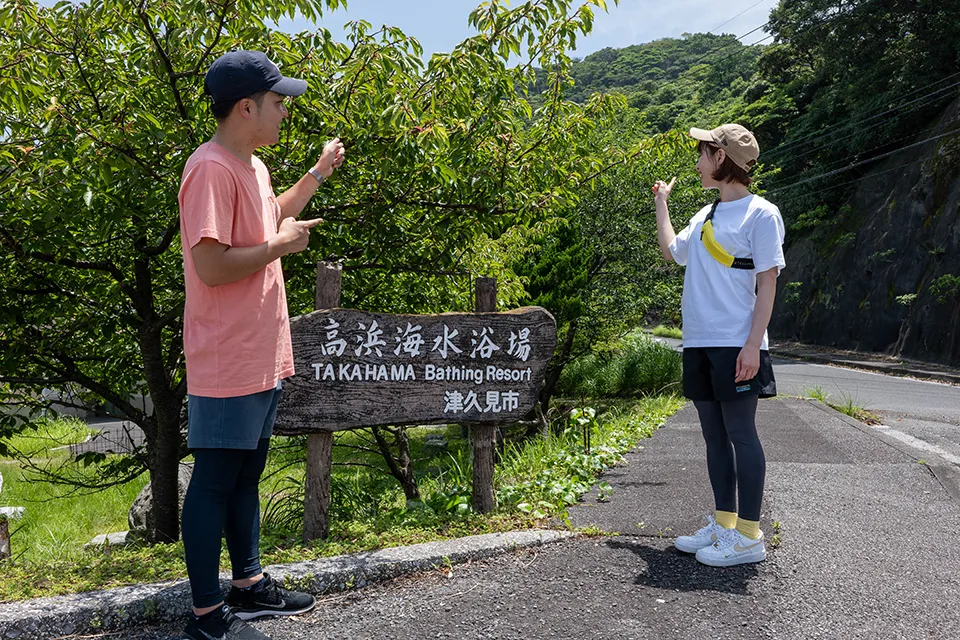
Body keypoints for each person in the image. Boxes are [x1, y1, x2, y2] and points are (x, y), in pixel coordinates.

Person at [178, 50, 345, 640]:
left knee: (246, 474)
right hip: (226, 355)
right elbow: (212, 266)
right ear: (245, 106)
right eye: (277, 102)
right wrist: (280, 248)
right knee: (215, 479)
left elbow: (269, 218)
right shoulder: (210, 169)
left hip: (260, 349)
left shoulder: (251, 166)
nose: (285, 111)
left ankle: (247, 587)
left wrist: (318, 174)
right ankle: (206, 614)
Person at [652, 123, 785, 567]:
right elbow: (673, 252)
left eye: (703, 152)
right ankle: (724, 524)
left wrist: (753, 346)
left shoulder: (762, 215)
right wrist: (661, 204)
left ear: (722, 158)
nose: (697, 161)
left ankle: (749, 536)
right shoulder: (705, 216)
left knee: (741, 434)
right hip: (700, 342)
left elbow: (767, 286)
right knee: (713, 436)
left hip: (736, 344)